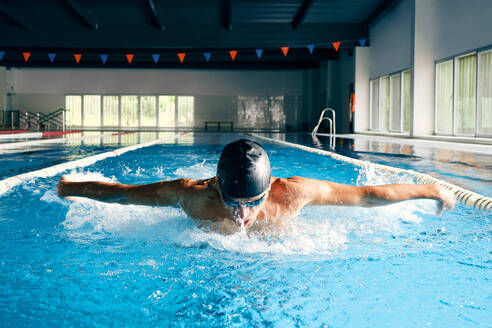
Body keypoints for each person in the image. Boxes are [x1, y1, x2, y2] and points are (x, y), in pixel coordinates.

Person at [57, 139, 455, 230]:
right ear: (216, 186)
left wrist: (431, 189)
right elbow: (123, 196)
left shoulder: (294, 193)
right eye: (234, 202)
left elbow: (368, 197)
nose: (243, 215)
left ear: (269, 190)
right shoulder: (190, 195)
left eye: (252, 203)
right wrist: (68, 188)